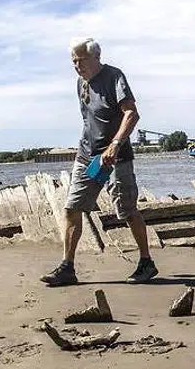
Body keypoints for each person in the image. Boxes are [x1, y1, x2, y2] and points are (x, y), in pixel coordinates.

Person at [40, 38, 158, 287]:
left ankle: (146, 262)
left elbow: (131, 113)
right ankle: (67, 267)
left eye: (80, 60)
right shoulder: (80, 83)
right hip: (87, 156)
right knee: (72, 208)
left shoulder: (115, 77)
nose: (76, 65)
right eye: (73, 61)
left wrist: (115, 144)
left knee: (126, 210)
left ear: (96, 57)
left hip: (116, 157)